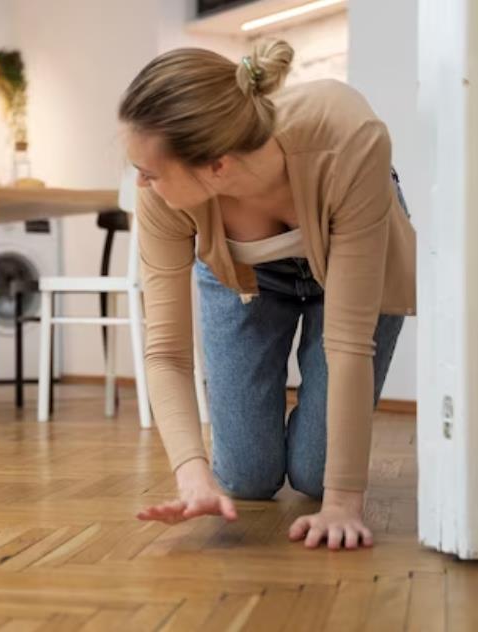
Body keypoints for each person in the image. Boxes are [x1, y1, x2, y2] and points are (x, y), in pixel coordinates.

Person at [119, 40, 415, 550]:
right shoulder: (163, 200)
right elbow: (166, 353)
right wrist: (192, 476)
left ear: (218, 165)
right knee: (245, 480)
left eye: (150, 173)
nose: (140, 186)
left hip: (357, 240)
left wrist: (343, 504)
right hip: (245, 277)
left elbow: (348, 342)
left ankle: (320, 459)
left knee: (317, 476)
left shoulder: (349, 137)